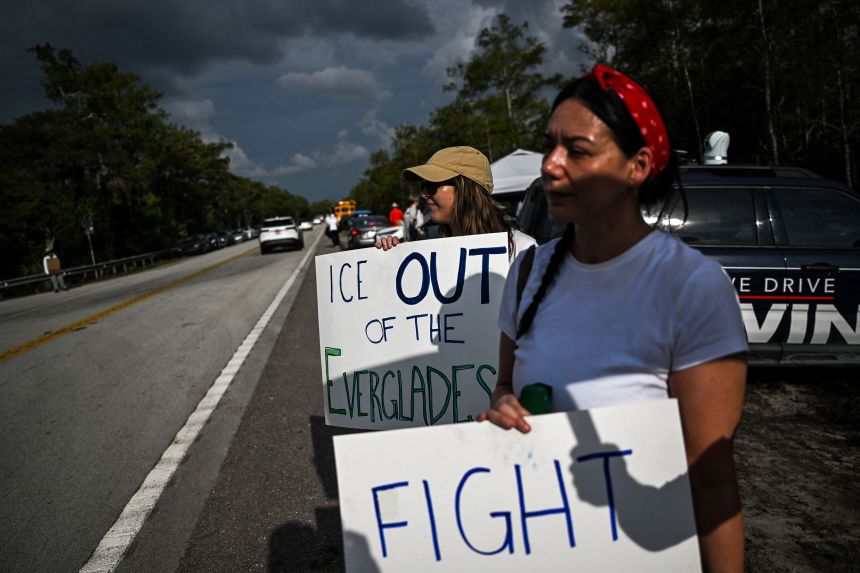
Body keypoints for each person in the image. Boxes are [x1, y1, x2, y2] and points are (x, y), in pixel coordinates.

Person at [478, 65, 748, 573]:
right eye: (549, 145)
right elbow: (505, 384)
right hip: (541, 548)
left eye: (577, 150)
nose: (551, 165)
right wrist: (505, 409)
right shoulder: (530, 270)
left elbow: (711, 482)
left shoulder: (691, 287)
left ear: (637, 166)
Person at [376, 146, 535, 259]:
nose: (423, 194)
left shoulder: (522, 249)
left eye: (431, 185)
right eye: (423, 186)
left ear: (466, 189)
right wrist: (394, 257)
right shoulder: (429, 253)